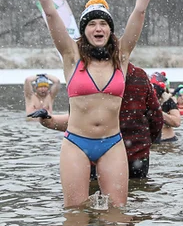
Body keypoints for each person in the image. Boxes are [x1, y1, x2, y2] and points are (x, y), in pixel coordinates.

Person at [15, 0, 164, 207]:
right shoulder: (71, 56)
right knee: (75, 215)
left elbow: (139, 11)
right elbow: (50, 13)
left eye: (104, 24)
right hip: (76, 143)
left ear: (110, 30)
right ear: (84, 30)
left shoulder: (121, 56)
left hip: (113, 144)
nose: (98, 28)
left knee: (117, 217)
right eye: (92, 24)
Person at [34, 63, 166, 180]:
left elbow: (77, 122)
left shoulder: (85, 76)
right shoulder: (139, 75)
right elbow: (156, 118)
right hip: (135, 156)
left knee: (94, 202)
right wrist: (142, 145)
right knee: (136, 198)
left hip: (95, 154)